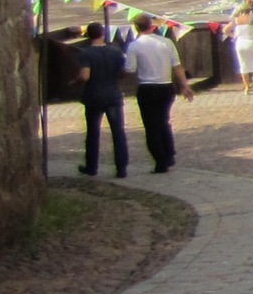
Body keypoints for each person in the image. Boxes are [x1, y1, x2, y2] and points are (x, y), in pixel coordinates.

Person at [124, 25, 194, 173]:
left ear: (136, 28)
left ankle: (160, 160)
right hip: (166, 86)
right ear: (151, 26)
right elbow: (177, 66)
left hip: (147, 87)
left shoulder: (135, 45)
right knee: (163, 121)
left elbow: (130, 68)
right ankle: (169, 153)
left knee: (151, 126)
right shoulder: (166, 42)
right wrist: (185, 85)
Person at [70, 22, 131, 178]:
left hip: (93, 96)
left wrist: (74, 82)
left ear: (88, 35)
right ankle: (121, 168)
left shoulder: (86, 53)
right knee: (118, 131)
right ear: (103, 33)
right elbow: (124, 72)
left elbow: (85, 76)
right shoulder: (116, 52)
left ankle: (92, 167)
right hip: (113, 96)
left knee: (93, 132)